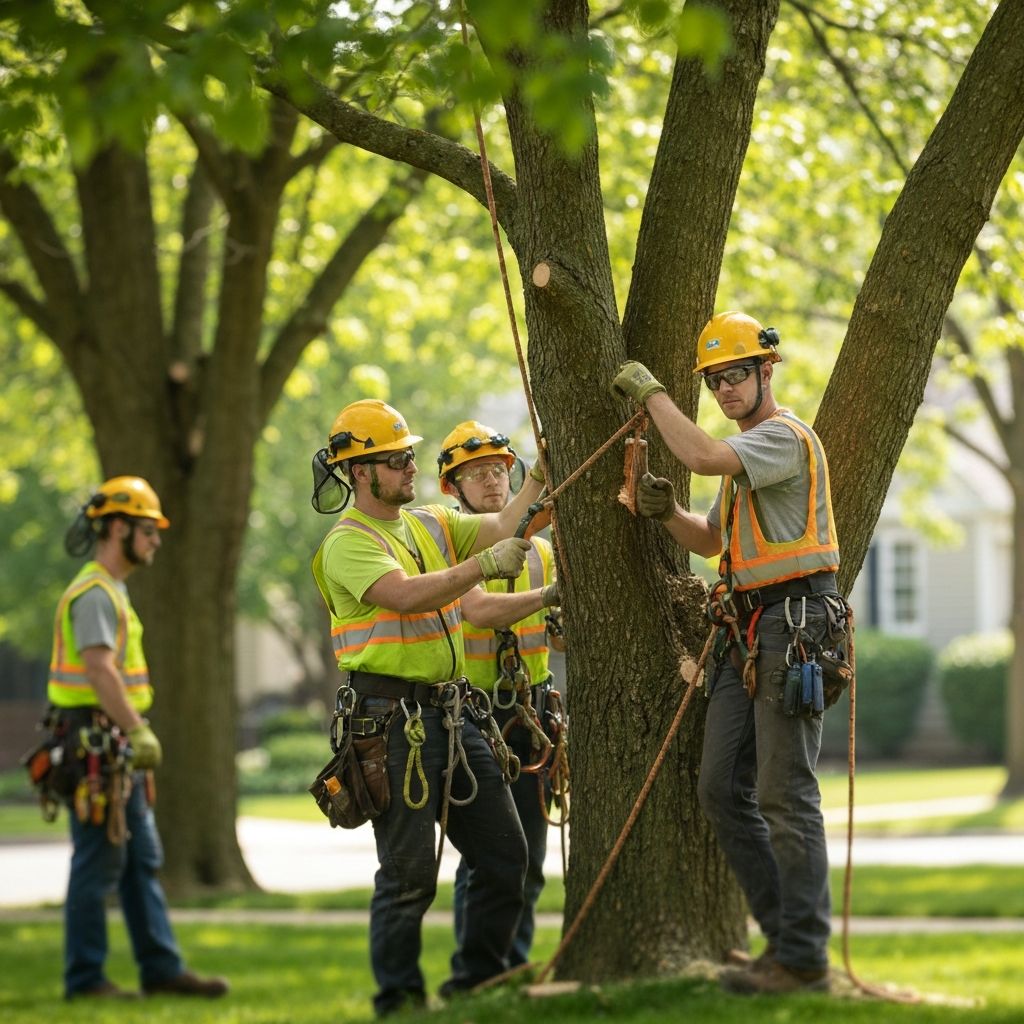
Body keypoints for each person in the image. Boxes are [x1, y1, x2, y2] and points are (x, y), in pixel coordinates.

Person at [611, 311, 842, 995]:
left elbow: (703, 455)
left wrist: (653, 393)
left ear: (767, 369)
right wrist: (664, 514)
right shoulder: (746, 459)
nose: (724, 390)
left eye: (734, 375)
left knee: (785, 792)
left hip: (794, 626)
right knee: (720, 788)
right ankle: (784, 942)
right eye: (713, 382)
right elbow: (712, 543)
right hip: (746, 630)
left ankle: (804, 958)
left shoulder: (781, 438)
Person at [309, 399, 560, 1016]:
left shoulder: (429, 524)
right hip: (390, 723)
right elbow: (404, 596)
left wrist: (542, 470)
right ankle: (398, 999)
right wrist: (481, 567)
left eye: (409, 456)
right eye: (395, 460)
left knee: (506, 858)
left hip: (451, 713)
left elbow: (505, 526)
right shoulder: (348, 542)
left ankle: (472, 984)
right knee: (408, 876)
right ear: (358, 472)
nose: (408, 466)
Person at [45, 476, 229, 1001]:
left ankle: (160, 969)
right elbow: (101, 671)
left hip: (110, 746)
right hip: (95, 745)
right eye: (148, 530)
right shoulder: (95, 593)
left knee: (139, 860)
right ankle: (85, 979)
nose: (155, 541)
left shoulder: (111, 591)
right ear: (118, 527)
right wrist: (137, 729)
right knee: (99, 862)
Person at [437, 420, 564, 971]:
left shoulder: (541, 549)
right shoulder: (450, 546)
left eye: (498, 470)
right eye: (475, 474)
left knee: (530, 856)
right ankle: (478, 969)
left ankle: (510, 964)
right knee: (488, 857)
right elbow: (479, 610)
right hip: (477, 714)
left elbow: (553, 631)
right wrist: (550, 596)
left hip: (530, 710)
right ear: (453, 487)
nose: (490, 481)